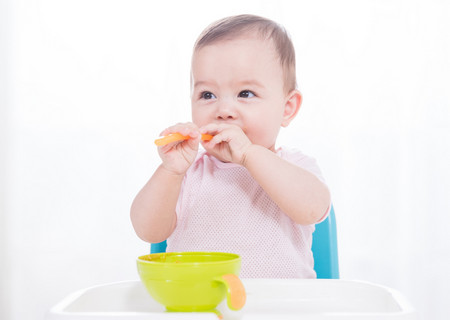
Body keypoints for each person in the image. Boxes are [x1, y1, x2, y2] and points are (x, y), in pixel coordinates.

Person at [131, 14, 331, 278]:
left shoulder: (294, 167)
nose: (224, 110)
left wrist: (249, 154)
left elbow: (313, 209)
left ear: (287, 108)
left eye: (245, 94)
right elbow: (148, 230)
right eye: (207, 95)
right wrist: (170, 171)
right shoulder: (188, 174)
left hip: (281, 307)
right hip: (200, 304)